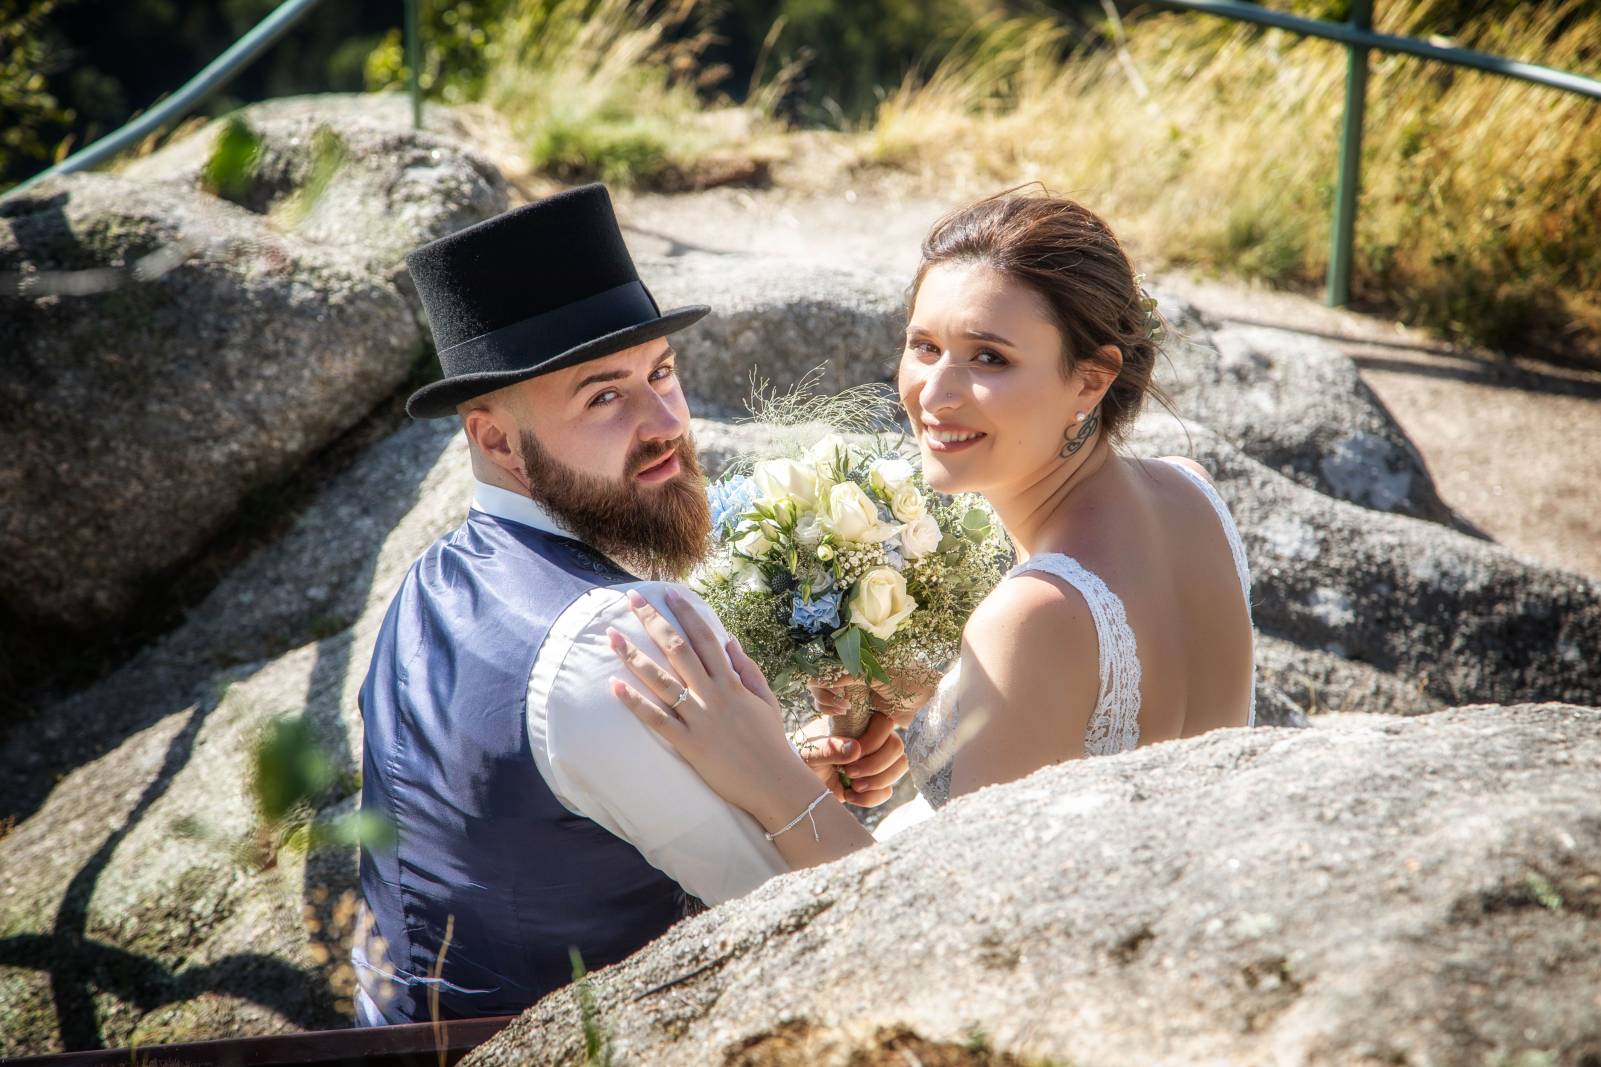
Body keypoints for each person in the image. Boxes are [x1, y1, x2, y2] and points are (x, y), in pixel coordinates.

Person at [351, 184, 907, 1026]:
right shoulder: (623, 637)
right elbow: (840, 914)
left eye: (662, 371)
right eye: (603, 395)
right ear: (494, 437)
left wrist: (766, 769)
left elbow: (539, 803)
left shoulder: (429, 583)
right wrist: (778, 784)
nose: (666, 421)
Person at [603, 189, 1257, 865]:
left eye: (989, 358)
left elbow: (951, 898)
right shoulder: (1191, 492)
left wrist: (763, 771)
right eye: (924, 346)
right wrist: (938, 709)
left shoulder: (1035, 615)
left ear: (1092, 380)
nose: (934, 394)